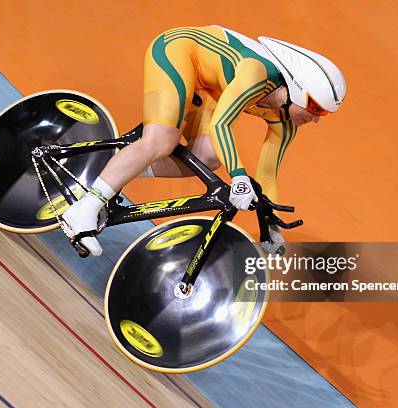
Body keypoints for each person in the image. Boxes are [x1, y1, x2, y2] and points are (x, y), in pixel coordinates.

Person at [63, 25, 346, 256]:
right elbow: (222, 123)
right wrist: (238, 178)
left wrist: (272, 227)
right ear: (297, 90)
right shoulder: (258, 75)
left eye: (325, 114)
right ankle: (82, 211)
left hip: (209, 87)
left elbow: (267, 176)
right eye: (316, 108)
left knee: (208, 158)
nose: (317, 119)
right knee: (162, 141)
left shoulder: (286, 123)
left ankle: (115, 170)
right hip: (177, 52)